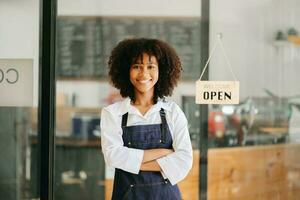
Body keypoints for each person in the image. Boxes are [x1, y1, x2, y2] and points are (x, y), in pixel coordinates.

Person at [100, 38, 193, 200]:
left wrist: (131, 163)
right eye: (137, 66)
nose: (144, 73)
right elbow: (112, 156)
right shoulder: (113, 113)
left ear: (162, 71)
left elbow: (184, 161)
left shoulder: (173, 112)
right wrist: (163, 153)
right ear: (125, 71)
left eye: (151, 67)